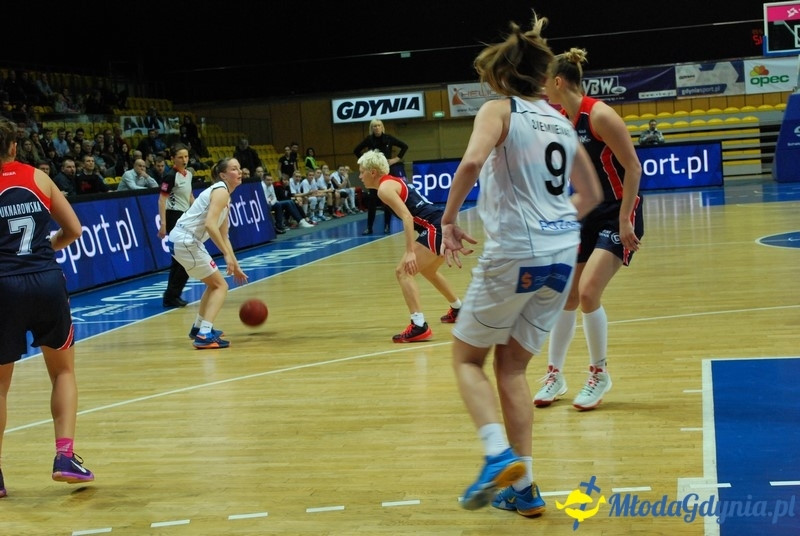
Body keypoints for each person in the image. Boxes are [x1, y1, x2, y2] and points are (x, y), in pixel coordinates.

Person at [439, 12, 602, 515]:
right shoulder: (559, 119)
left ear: (502, 77)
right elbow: (591, 193)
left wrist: (447, 220)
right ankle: (525, 488)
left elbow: (469, 164)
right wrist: (554, 220)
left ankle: (495, 456)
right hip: (559, 258)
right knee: (512, 369)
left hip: (516, 254)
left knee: (467, 359)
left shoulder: (499, 110)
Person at [534, 47, 643, 411]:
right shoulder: (560, 119)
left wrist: (626, 217)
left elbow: (633, 167)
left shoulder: (600, 116)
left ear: (559, 81)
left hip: (617, 213)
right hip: (585, 213)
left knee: (588, 291)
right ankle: (555, 374)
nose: (542, 88)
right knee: (566, 294)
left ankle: (599, 373)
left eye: (545, 82)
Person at [0, 117, 95, 499]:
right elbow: (73, 230)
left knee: (0, 386)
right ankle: (64, 456)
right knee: (62, 372)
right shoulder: (38, 178)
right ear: (13, 147)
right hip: (44, 280)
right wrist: (46, 249)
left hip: (2, 285)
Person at [358, 149, 465, 343]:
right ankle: (458, 309)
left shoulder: (384, 188)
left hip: (435, 227)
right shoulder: (395, 181)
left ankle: (418, 325)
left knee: (403, 271)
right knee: (429, 271)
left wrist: (409, 252)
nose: (360, 176)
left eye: (361, 171)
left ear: (373, 172)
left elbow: (407, 217)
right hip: (441, 224)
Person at [168, 157, 248, 349]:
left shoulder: (226, 196)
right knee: (221, 286)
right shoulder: (220, 191)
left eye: (239, 168)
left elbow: (223, 234)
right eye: (234, 169)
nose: (240, 172)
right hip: (186, 240)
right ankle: (204, 334)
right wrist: (226, 256)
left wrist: (235, 263)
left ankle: (198, 328)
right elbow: (210, 225)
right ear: (223, 175)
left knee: (214, 285)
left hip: (184, 240)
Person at [353, 119, 408, 235]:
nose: (376, 128)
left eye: (378, 126)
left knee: (387, 200)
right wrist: (366, 161)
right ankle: (369, 227)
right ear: (371, 128)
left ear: (382, 127)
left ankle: (387, 225)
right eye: (374, 126)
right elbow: (356, 150)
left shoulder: (388, 138)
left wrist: (396, 159)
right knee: (372, 201)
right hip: (373, 174)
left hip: (386, 172)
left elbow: (404, 146)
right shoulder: (369, 139)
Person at [158, 144, 195, 308]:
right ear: (173, 158)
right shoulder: (170, 176)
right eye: (180, 157)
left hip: (186, 216)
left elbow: (190, 196)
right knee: (183, 259)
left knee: (180, 260)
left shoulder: (189, 175)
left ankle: (172, 295)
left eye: (186, 156)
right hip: (174, 217)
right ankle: (171, 295)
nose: (184, 160)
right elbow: (162, 200)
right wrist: (163, 224)